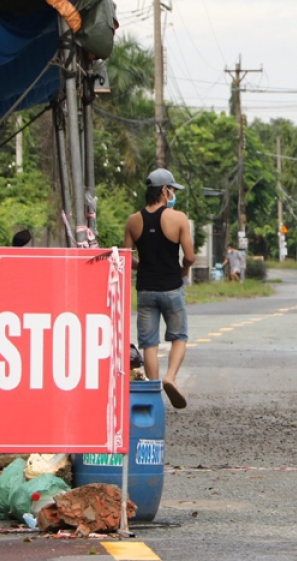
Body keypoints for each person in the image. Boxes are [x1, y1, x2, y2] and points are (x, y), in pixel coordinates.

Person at [124, 168, 195, 410]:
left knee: (149, 344)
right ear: (164, 191)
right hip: (172, 288)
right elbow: (190, 256)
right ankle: (170, 377)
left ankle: (154, 392)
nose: (173, 194)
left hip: (145, 291)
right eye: (172, 190)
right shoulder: (178, 218)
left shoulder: (133, 221)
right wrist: (184, 270)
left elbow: (126, 258)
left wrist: (143, 264)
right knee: (179, 337)